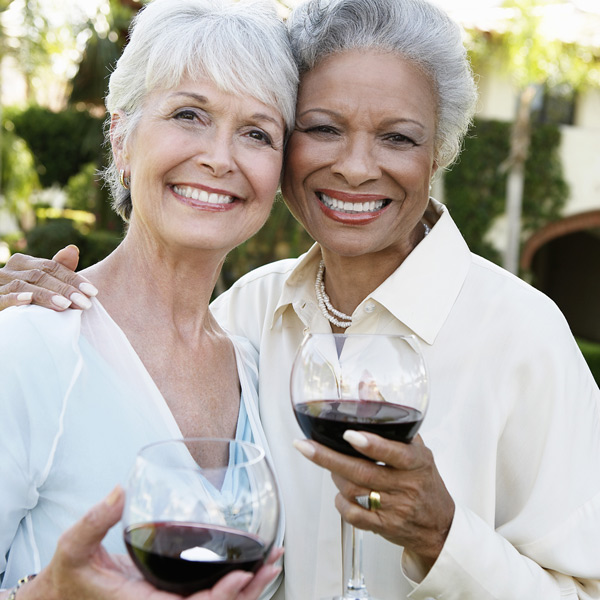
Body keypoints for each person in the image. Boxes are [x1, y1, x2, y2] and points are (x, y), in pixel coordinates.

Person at [2, 0, 600, 598]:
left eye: (397, 137)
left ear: (438, 153)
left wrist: (444, 537)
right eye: (324, 129)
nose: (357, 168)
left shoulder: (525, 339)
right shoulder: (250, 317)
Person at [0, 0, 298, 598]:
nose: (220, 156)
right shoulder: (32, 343)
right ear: (122, 141)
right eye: (189, 114)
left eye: (256, 133)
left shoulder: (259, 369)